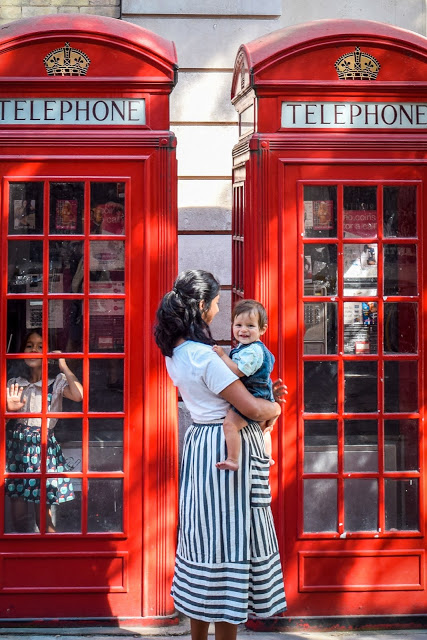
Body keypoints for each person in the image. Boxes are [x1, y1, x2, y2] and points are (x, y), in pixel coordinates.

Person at [155, 270, 287, 640]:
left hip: (200, 444)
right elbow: (254, 408)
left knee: (203, 541)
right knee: (230, 542)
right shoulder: (206, 357)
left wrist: (264, 399)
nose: (217, 309)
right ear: (200, 306)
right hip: (226, 448)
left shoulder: (177, 352)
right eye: (214, 303)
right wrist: (274, 408)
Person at [5, 329, 83, 533]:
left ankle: (50, 552)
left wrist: (63, 364)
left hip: (43, 448)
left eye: (41, 347)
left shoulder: (54, 382)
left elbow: (78, 395)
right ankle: (21, 553)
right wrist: (8, 410)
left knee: (44, 511)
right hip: (18, 447)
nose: (34, 350)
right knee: (19, 509)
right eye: (29, 346)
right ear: (22, 352)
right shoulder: (14, 383)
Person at [213, 299, 275, 471]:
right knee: (265, 430)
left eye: (250, 326)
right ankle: (267, 456)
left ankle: (232, 459)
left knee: (230, 424)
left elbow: (239, 372)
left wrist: (222, 356)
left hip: (252, 397)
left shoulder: (252, 351)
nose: (243, 330)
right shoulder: (249, 348)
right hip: (262, 396)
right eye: (238, 324)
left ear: (263, 329)